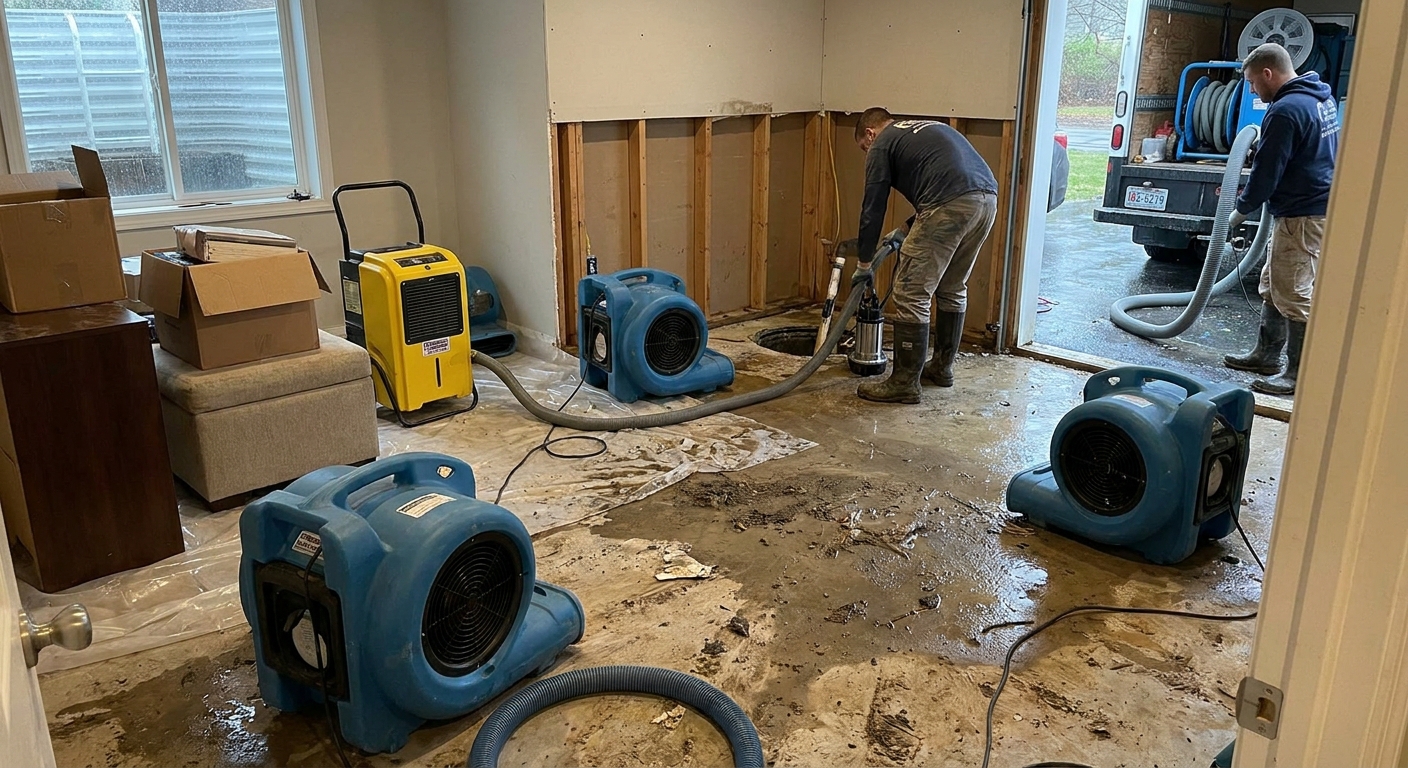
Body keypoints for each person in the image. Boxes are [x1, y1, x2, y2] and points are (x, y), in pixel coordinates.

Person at [849, 108, 999, 404]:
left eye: (864, 149)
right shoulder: (920, 128)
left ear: (870, 133)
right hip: (986, 200)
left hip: (949, 204)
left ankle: (904, 383)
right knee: (952, 287)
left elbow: (873, 207)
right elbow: (943, 182)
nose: (868, 154)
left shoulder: (882, 142)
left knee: (910, 292)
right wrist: (906, 228)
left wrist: (864, 263)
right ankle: (942, 369)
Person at [1223, 42, 1339, 395]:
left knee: (1294, 292)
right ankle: (1266, 355)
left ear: (1268, 73)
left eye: (1254, 83)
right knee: (1274, 283)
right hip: (1305, 207)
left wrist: (1241, 209)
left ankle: (1295, 374)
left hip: (1303, 214)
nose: (1254, 91)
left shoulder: (1286, 110)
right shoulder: (1320, 98)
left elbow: (1266, 171)